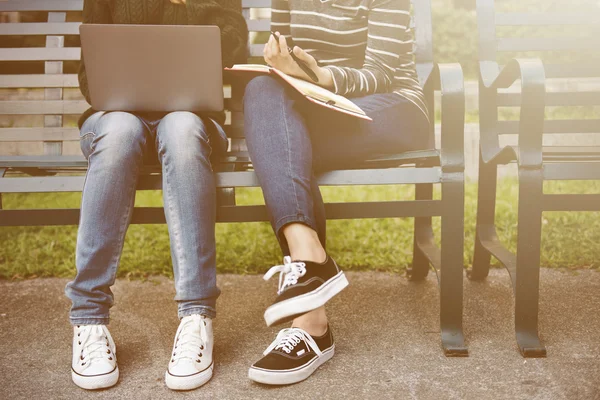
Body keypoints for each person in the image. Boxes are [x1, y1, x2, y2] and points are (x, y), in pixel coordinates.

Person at [244, 0, 431, 385]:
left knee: (283, 140)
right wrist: (284, 69)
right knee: (263, 90)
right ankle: (309, 264)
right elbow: (285, 58)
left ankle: (310, 321)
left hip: (391, 107)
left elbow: (380, 73)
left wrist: (321, 76)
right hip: (317, 107)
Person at [65, 0, 248, 391]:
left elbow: (235, 47)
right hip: (115, 116)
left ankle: (196, 318)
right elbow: (89, 75)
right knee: (118, 133)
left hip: (192, 115)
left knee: (181, 129)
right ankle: (89, 319)